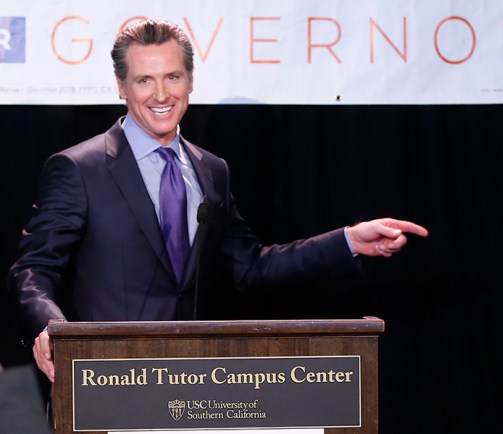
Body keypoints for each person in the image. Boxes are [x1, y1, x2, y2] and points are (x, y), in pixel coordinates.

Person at [7, 19, 428, 385]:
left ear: (190, 81)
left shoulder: (212, 171)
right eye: (144, 80)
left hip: (191, 381)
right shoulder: (80, 168)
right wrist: (50, 328)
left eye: (172, 77)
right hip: (103, 379)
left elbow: (251, 266)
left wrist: (348, 241)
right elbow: (33, 268)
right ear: (122, 85)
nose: (161, 94)